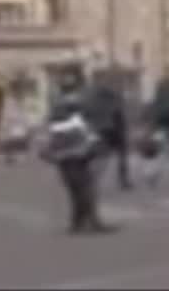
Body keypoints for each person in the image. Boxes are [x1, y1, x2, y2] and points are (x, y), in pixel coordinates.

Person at [43, 93, 111, 235]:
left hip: (66, 162)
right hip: (78, 159)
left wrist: (54, 155)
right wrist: (96, 148)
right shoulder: (76, 122)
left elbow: (48, 147)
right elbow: (90, 138)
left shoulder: (56, 123)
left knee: (76, 193)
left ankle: (78, 223)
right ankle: (90, 223)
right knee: (86, 192)